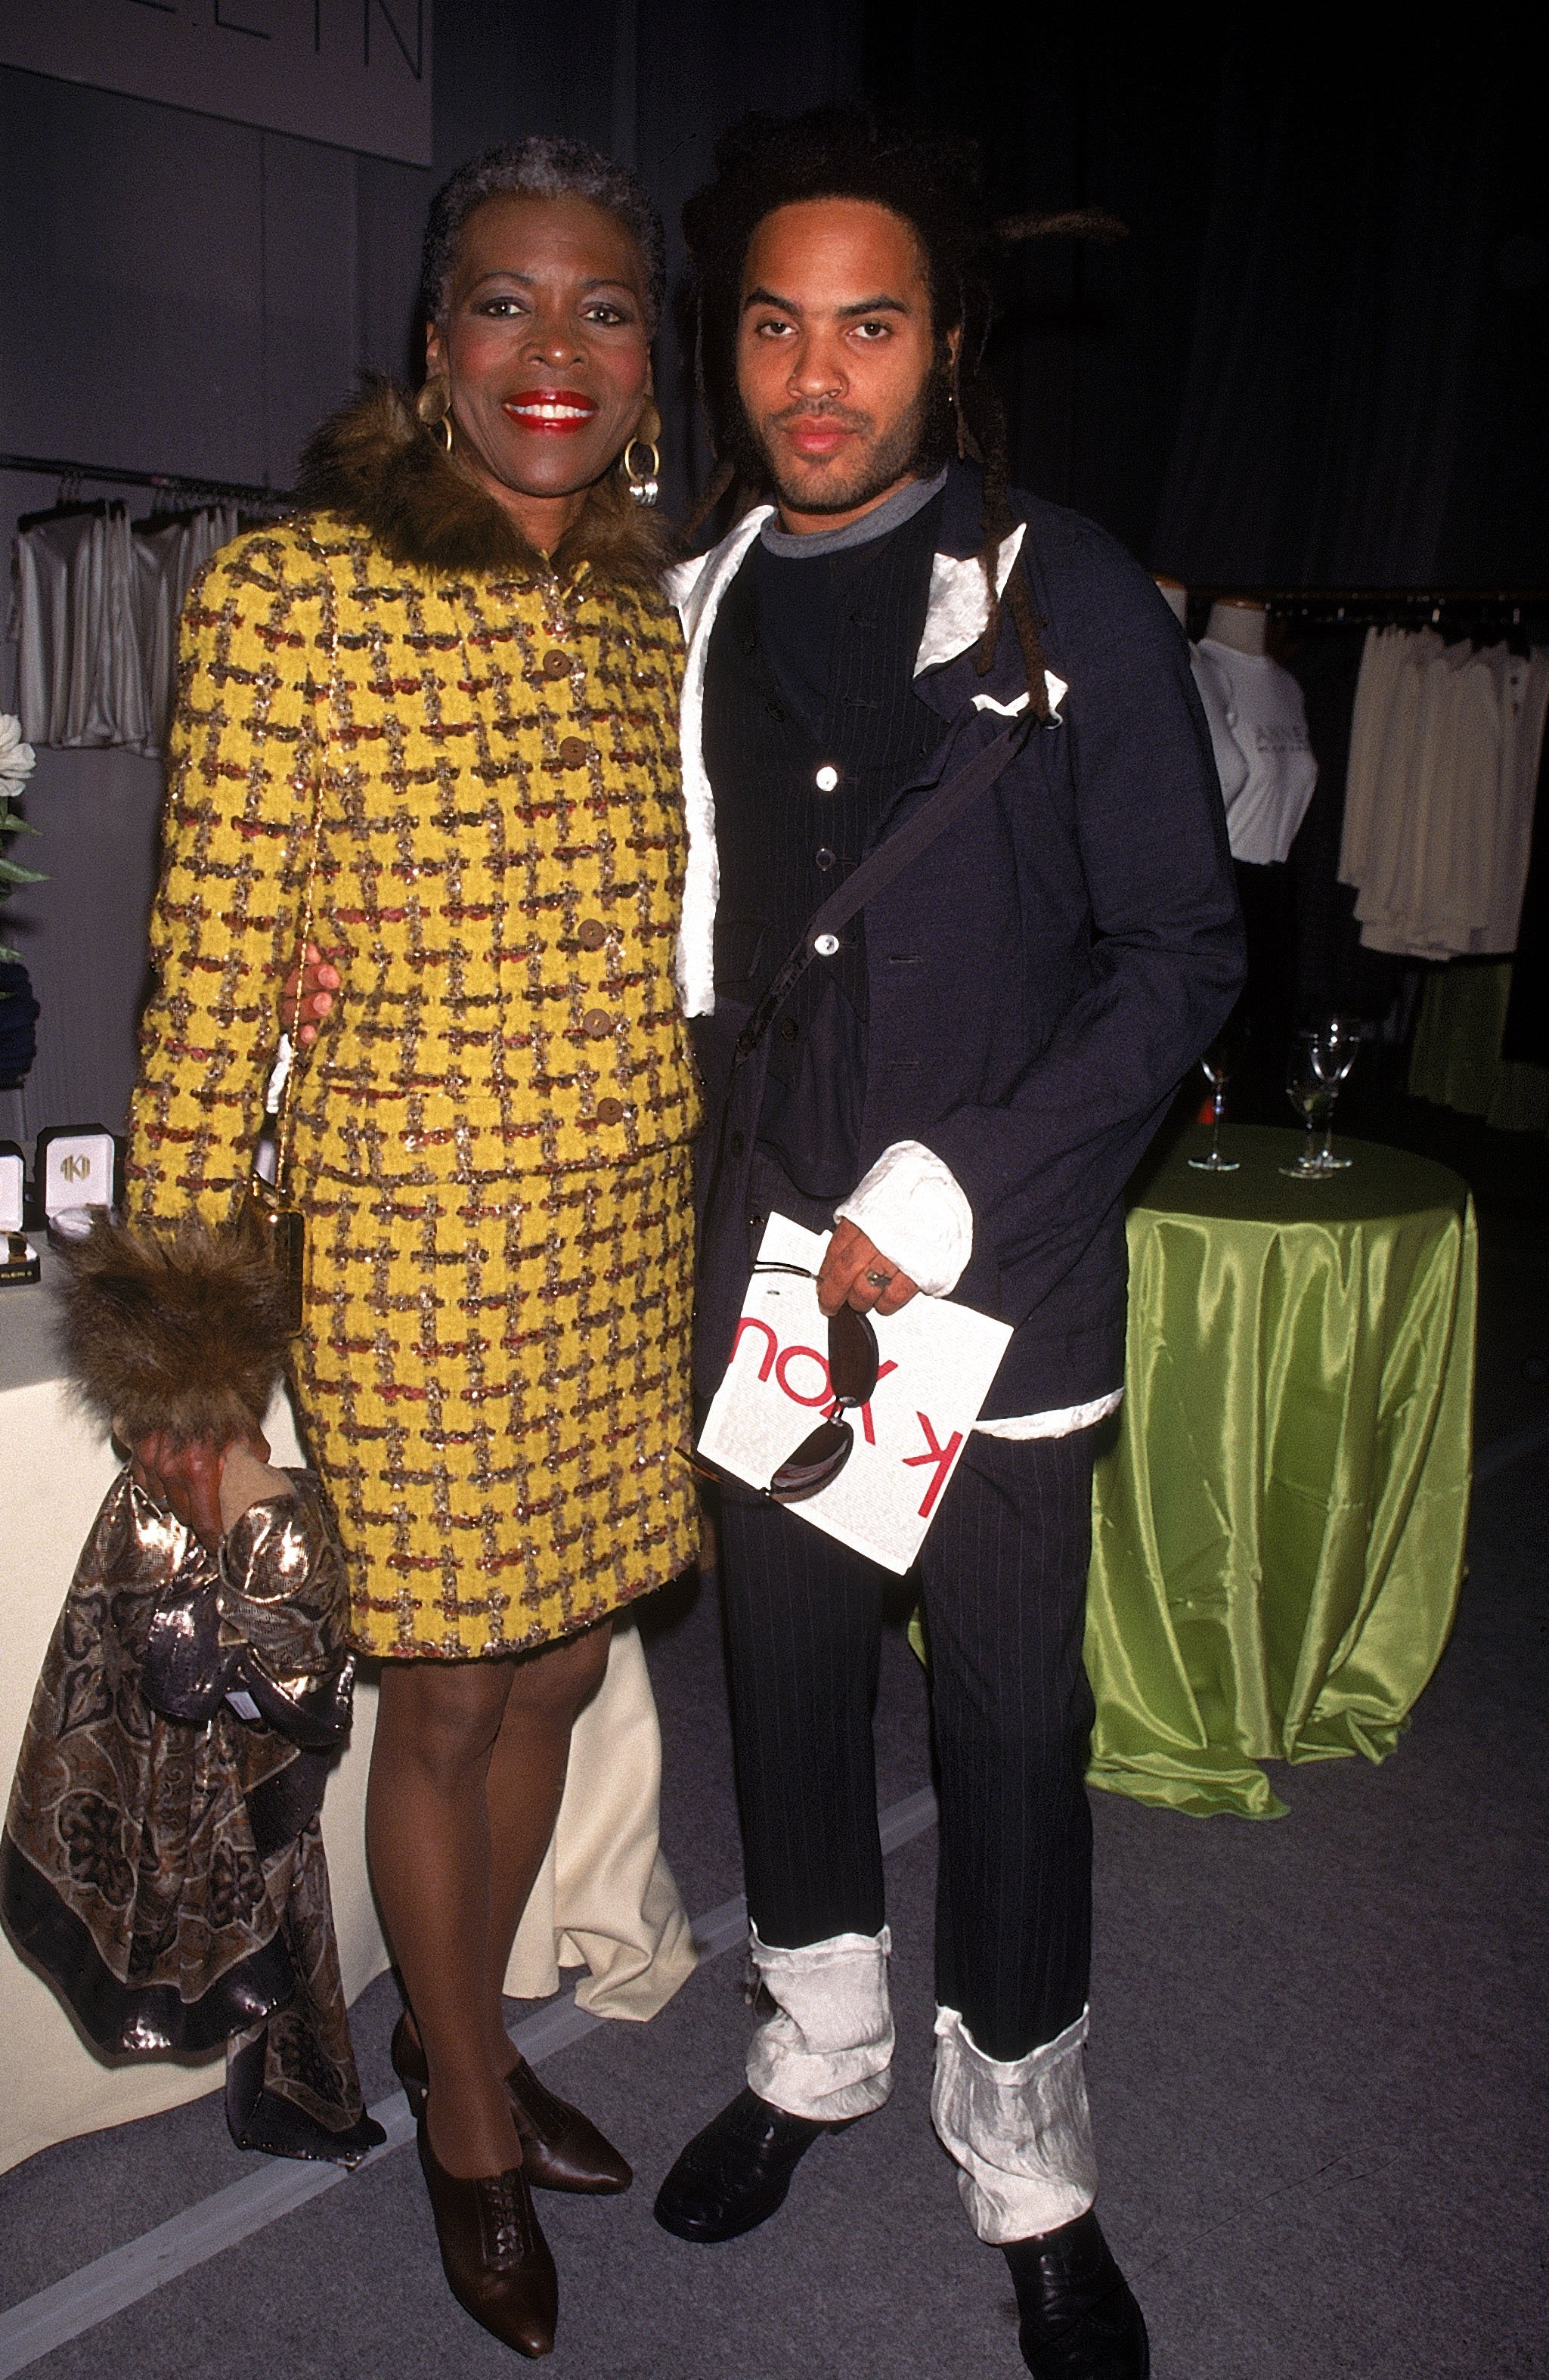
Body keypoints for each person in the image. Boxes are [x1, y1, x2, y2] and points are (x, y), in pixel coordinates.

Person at [649, 111, 1244, 2379]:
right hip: (772, 1277)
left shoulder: (1057, 583)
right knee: (786, 1699)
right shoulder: (693, 599)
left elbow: (1180, 955)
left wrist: (955, 1181)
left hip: (995, 1283)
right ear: (731, 351)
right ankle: (812, 2043)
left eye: (868, 325)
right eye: (776, 327)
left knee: (1010, 1728)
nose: (818, 376)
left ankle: (1031, 2161)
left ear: (947, 343)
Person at [123, 138, 701, 2360]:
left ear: (650, 368)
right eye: (501, 302)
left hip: (621, 1238)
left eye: (602, 309)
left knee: (557, 1665)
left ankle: (482, 2018)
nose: (550, 352)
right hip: (419, 1249)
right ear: (427, 342)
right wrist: (190, 1353)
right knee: (450, 1692)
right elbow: (204, 974)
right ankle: (462, 2101)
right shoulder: (294, 593)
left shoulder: (657, 610)